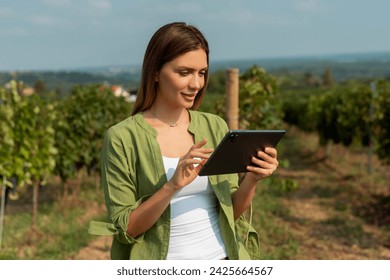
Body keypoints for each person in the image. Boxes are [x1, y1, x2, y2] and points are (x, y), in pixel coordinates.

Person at [89, 22, 279, 260]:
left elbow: (231, 213)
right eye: (184, 72)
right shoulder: (122, 138)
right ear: (155, 72)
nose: (196, 84)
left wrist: (251, 179)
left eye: (201, 73)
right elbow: (126, 228)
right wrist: (172, 186)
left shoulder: (214, 126)